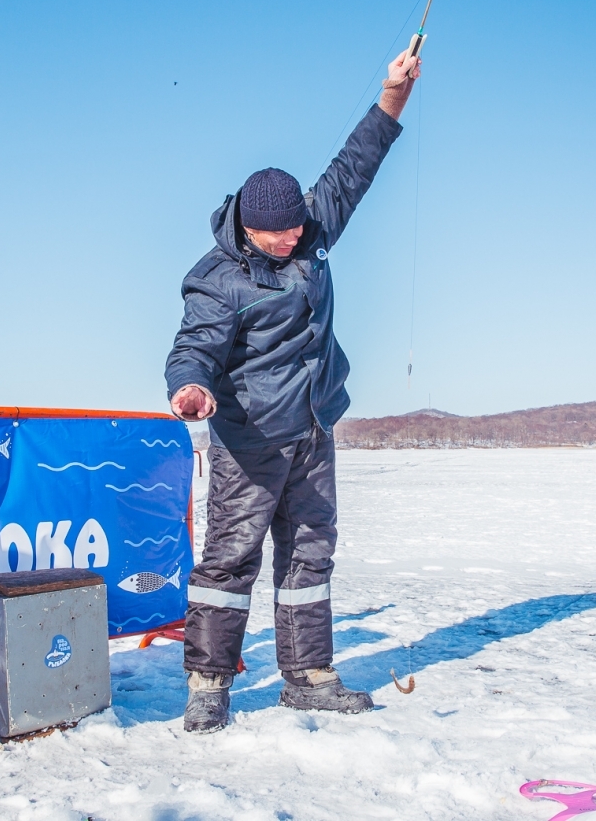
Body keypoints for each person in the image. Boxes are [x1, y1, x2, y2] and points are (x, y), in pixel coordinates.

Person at [163, 48, 421, 733]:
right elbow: (195, 347)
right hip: (249, 443)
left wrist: (393, 94)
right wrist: (190, 386)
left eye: (297, 228)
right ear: (247, 229)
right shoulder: (217, 278)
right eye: (276, 234)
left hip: (312, 427)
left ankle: (308, 676)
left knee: (310, 555)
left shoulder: (309, 228)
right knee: (229, 561)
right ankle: (209, 683)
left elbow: (356, 164)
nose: (291, 239)